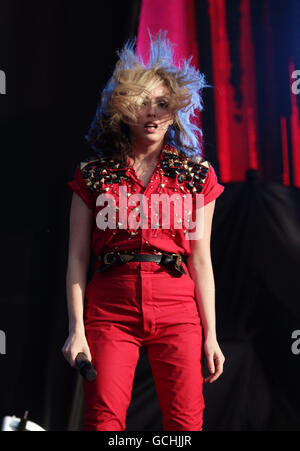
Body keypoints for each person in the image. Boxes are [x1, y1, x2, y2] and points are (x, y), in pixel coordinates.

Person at [62, 31, 225, 431]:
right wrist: (76, 330)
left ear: (175, 110)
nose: (152, 113)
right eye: (142, 103)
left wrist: (211, 334)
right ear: (123, 109)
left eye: (162, 104)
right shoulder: (94, 175)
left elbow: (200, 259)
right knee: (102, 422)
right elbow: (78, 258)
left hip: (176, 307)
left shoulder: (195, 175)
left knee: (186, 424)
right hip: (110, 308)